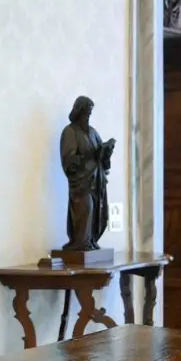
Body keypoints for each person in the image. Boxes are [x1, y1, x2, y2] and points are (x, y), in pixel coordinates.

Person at [59, 95, 116, 251]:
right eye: (86, 113)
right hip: (82, 184)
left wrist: (106, 152)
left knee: (99, 213)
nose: (88, 117)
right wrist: (92, 154)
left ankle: (90, 242)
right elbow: (69, 161)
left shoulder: (92, 132)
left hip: (96, 181)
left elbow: (101, 158)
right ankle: (80, 243)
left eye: (90, 114)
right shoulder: (70, 132)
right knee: (86, 208)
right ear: (78, 112)